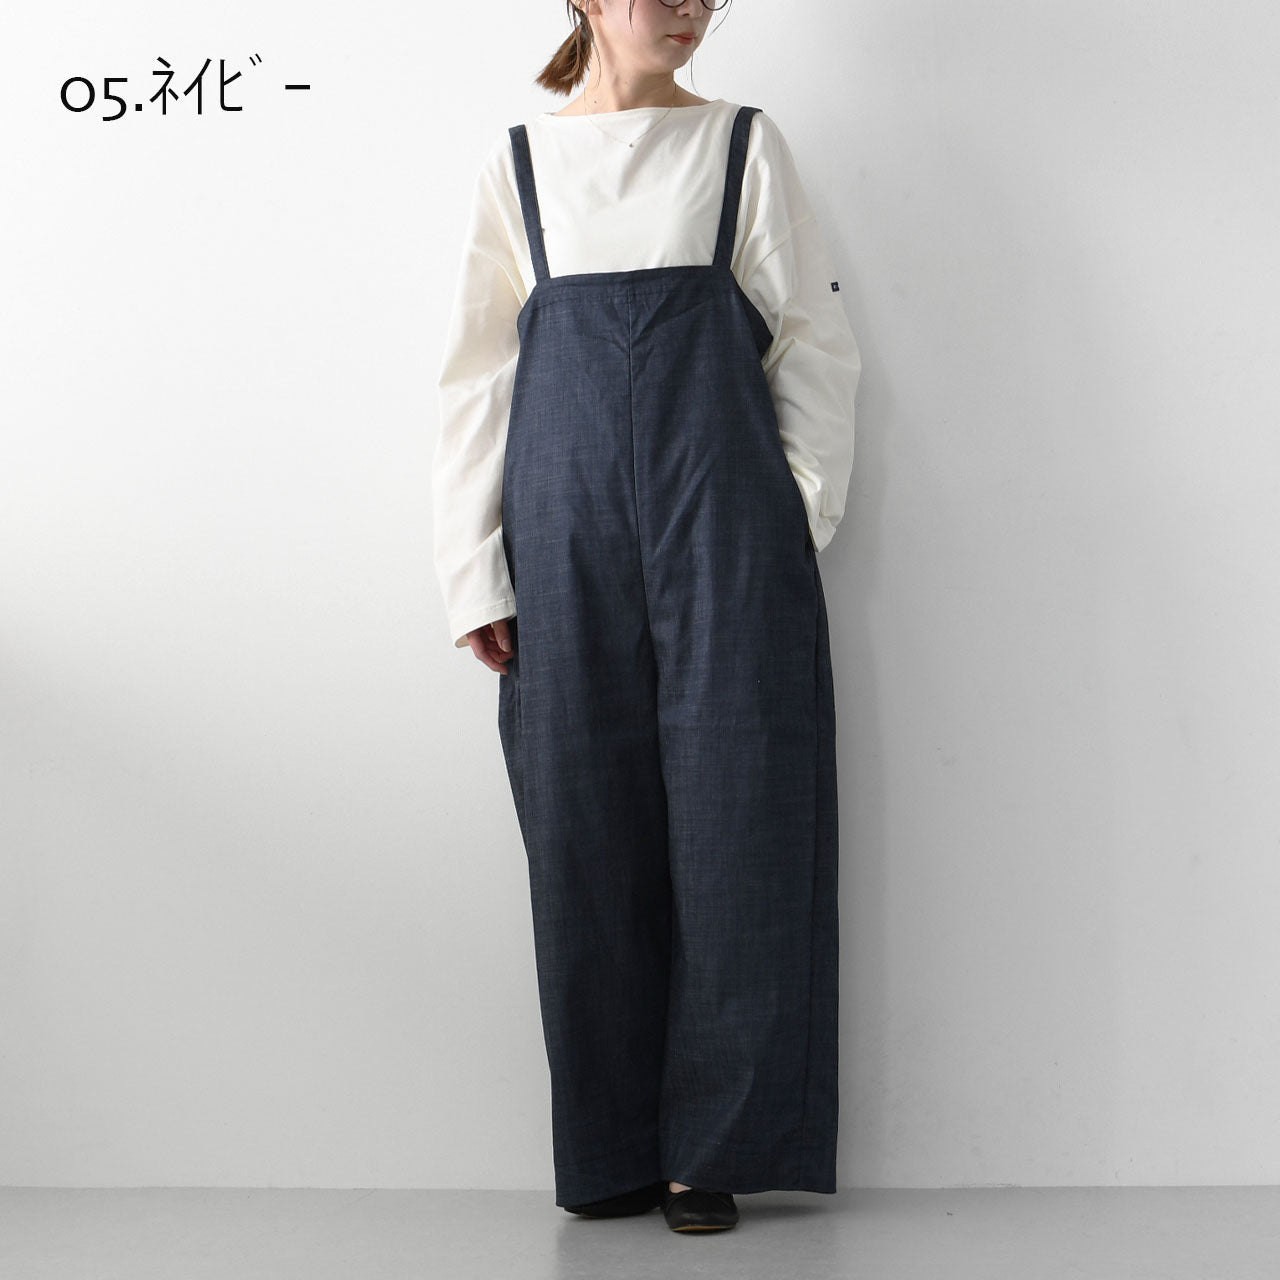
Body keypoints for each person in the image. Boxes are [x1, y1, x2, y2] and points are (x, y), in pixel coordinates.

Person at [432, 0, 860, 1235]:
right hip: (557, 531)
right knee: (581, 830)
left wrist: (792, 514)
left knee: (743, 818)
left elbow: (812, 338)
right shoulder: (519, 163)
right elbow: (474, 377)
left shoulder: (740, 145)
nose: (687, 8)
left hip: (726, 525)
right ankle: (609, 1145)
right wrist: (473, 571)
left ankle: (709, 1150)